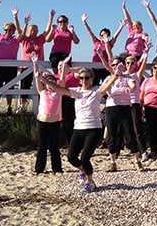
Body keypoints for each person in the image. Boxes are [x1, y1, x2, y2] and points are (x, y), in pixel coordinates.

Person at [40, 65, 118, 193]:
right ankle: (82, 170)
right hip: (79, 128)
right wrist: (43, 80)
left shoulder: (96, 91)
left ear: (92, 78)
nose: (84, 80)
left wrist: (115, 75)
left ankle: (90, 181)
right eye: (81, 78)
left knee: (85, 158)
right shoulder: (77, 91)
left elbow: (105, 86)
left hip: (93, 128)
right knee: (71, 157)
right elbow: (58, 89)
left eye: (86, 78)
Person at [100, 55, 144, 172]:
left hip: (124, 108)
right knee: (112, 136)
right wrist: (115, 77)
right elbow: (102, 90)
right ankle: (113, 162)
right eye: (113, 65)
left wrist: (117, 91)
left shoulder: (127, 77)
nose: (115, 67)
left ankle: (136, 160)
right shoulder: (109, 78)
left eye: (117, 65)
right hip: (111, 109)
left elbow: (133, 87)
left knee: (130, 134)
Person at [31, 53, 65, 175]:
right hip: (43, 123)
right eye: (48, 81)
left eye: (52, 81)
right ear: (45, 84)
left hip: (55, 123)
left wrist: (63, 67)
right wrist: (35, 63)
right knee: (41, 147)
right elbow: (36, 78)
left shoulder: (59, 92)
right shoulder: (42, 92)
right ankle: (39, 169)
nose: (50, 83)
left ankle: (57, 168)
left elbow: (62, 78)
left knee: (54, 148)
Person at [0, 6, 24, 115]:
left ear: (13, 31)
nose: (8, 32)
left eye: (10, 30)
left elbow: (20, 32)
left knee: (10, 87)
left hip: (11, 66)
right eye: (6, 30)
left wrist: (16, 17)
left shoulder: (15, 39)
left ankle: (9, 107)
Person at [17, 10, 53, 113]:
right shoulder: (25, 39)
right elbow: (20, 31)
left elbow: (47, 30)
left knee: (40, 86)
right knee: (24, 86)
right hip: (26, 66)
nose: (34, 31)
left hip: (39, 66)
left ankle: (41, 106)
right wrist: (21, 20)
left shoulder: (40, 39)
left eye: (35, 30)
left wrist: (50, 18)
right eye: (32, 30)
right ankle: (22, 106)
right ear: (29, 30)